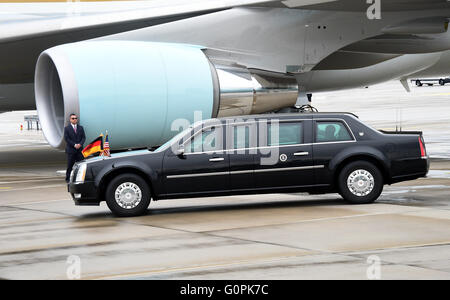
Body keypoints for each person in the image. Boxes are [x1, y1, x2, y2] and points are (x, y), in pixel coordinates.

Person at [64, 113, 86, 182]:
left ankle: (80, 178)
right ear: (70, 120)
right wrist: (74, 145)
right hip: (71, 150)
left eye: (75, 118)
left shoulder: (81, 128)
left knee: (81, 165)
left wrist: (80, 144)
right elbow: (67, 139)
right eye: (73, 118)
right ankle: (67, 179)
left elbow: (83, 137)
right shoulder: (67, 128)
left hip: (79, 150)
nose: (74, 119)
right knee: (70, 166)